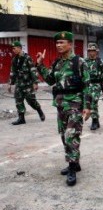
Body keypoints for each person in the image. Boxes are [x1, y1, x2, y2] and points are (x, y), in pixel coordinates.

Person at [36, 31, 91, 187]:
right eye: (57, 43)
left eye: (62, 42)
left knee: (70, 135)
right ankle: (75, 162)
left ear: (70, 44)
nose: (59, 45)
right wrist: (40, 64)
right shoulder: (57, 63)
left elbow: (88, 85)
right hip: (61, 105)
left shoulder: (79, 62)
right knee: (63, 136)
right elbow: (50, 80)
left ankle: (72, 168)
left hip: (75, 104)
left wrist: (88, 106)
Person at [8, 41, 45, 125]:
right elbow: (12, 72)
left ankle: (39, 111)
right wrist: (10, 83)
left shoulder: (27, 58)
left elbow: (33, 70)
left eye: (14, 48)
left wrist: (35, 82)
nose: (13, 50)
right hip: (19, 84)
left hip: (28, 84)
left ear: (19, 48)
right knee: (18, 101)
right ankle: (21, 118)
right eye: (12, 48)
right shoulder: (14, 60)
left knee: (31, 101)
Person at [85, 43, 103, 130]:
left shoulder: (100, 62)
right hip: (87, 85)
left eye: (93, 51)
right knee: (87, 104)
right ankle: (96, 120)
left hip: (96, 85)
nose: (91, 53)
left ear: (96, 52)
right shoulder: (84, 61)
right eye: (89, 51)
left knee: (94, 103)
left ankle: (94, 121)